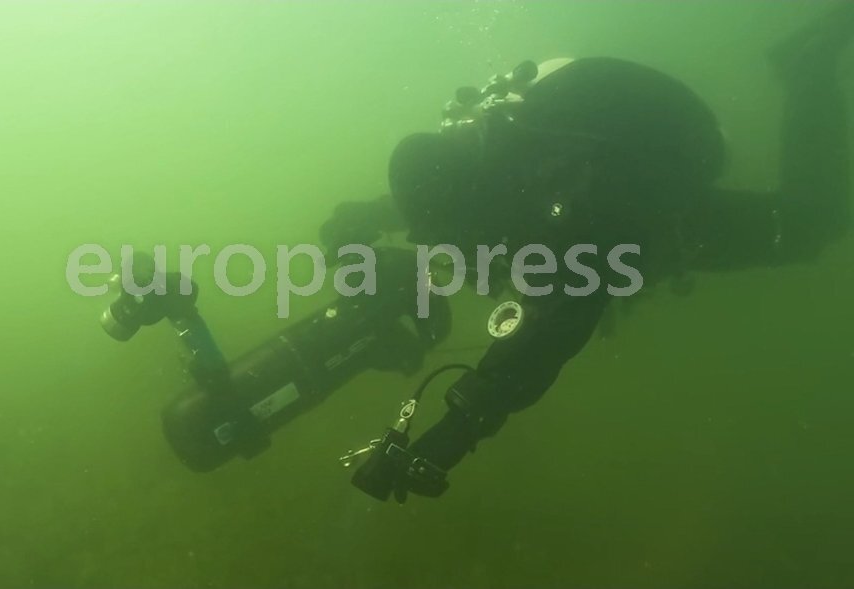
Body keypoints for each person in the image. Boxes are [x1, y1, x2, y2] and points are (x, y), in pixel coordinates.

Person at [319, 4, 853, 498]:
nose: (454, 253)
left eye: (453, 239)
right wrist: (367, 215)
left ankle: (809, 68)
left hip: (651, 200)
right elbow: (442, 197)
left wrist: (461, 424)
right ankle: (805, 65)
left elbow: (559, 319)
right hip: (611, 157)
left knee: (810, 224)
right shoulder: (494, 166)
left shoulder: (577, 204)